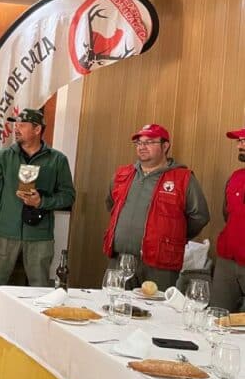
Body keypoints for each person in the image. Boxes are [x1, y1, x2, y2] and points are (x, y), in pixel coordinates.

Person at [0, 109, 75, 304]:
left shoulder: (58, 159)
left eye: (22, 125)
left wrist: (42, 202)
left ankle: (36, 333)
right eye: (16, 125)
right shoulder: (4, 157)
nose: (16, 129)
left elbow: (68, 196)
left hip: (39, 237)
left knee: (39, 289)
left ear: (37, 129)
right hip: (4, 234)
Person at [104, 124, 209, 291]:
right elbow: (112, 204)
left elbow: (199, 216)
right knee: (114, 307)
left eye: (149, 142)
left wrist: (174, 232)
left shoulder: (183, 178)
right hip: (120, 260)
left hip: (160, 266)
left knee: (155, 313)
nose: (142, 147)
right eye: (139, 143)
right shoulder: (122, 174)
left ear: (165, 146)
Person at [212, 128, 245, 312]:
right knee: (217, 320)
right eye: (239, 141)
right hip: (227, 263)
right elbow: (227, 215)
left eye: (244, 141)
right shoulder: (235, 177)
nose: (239, 145)